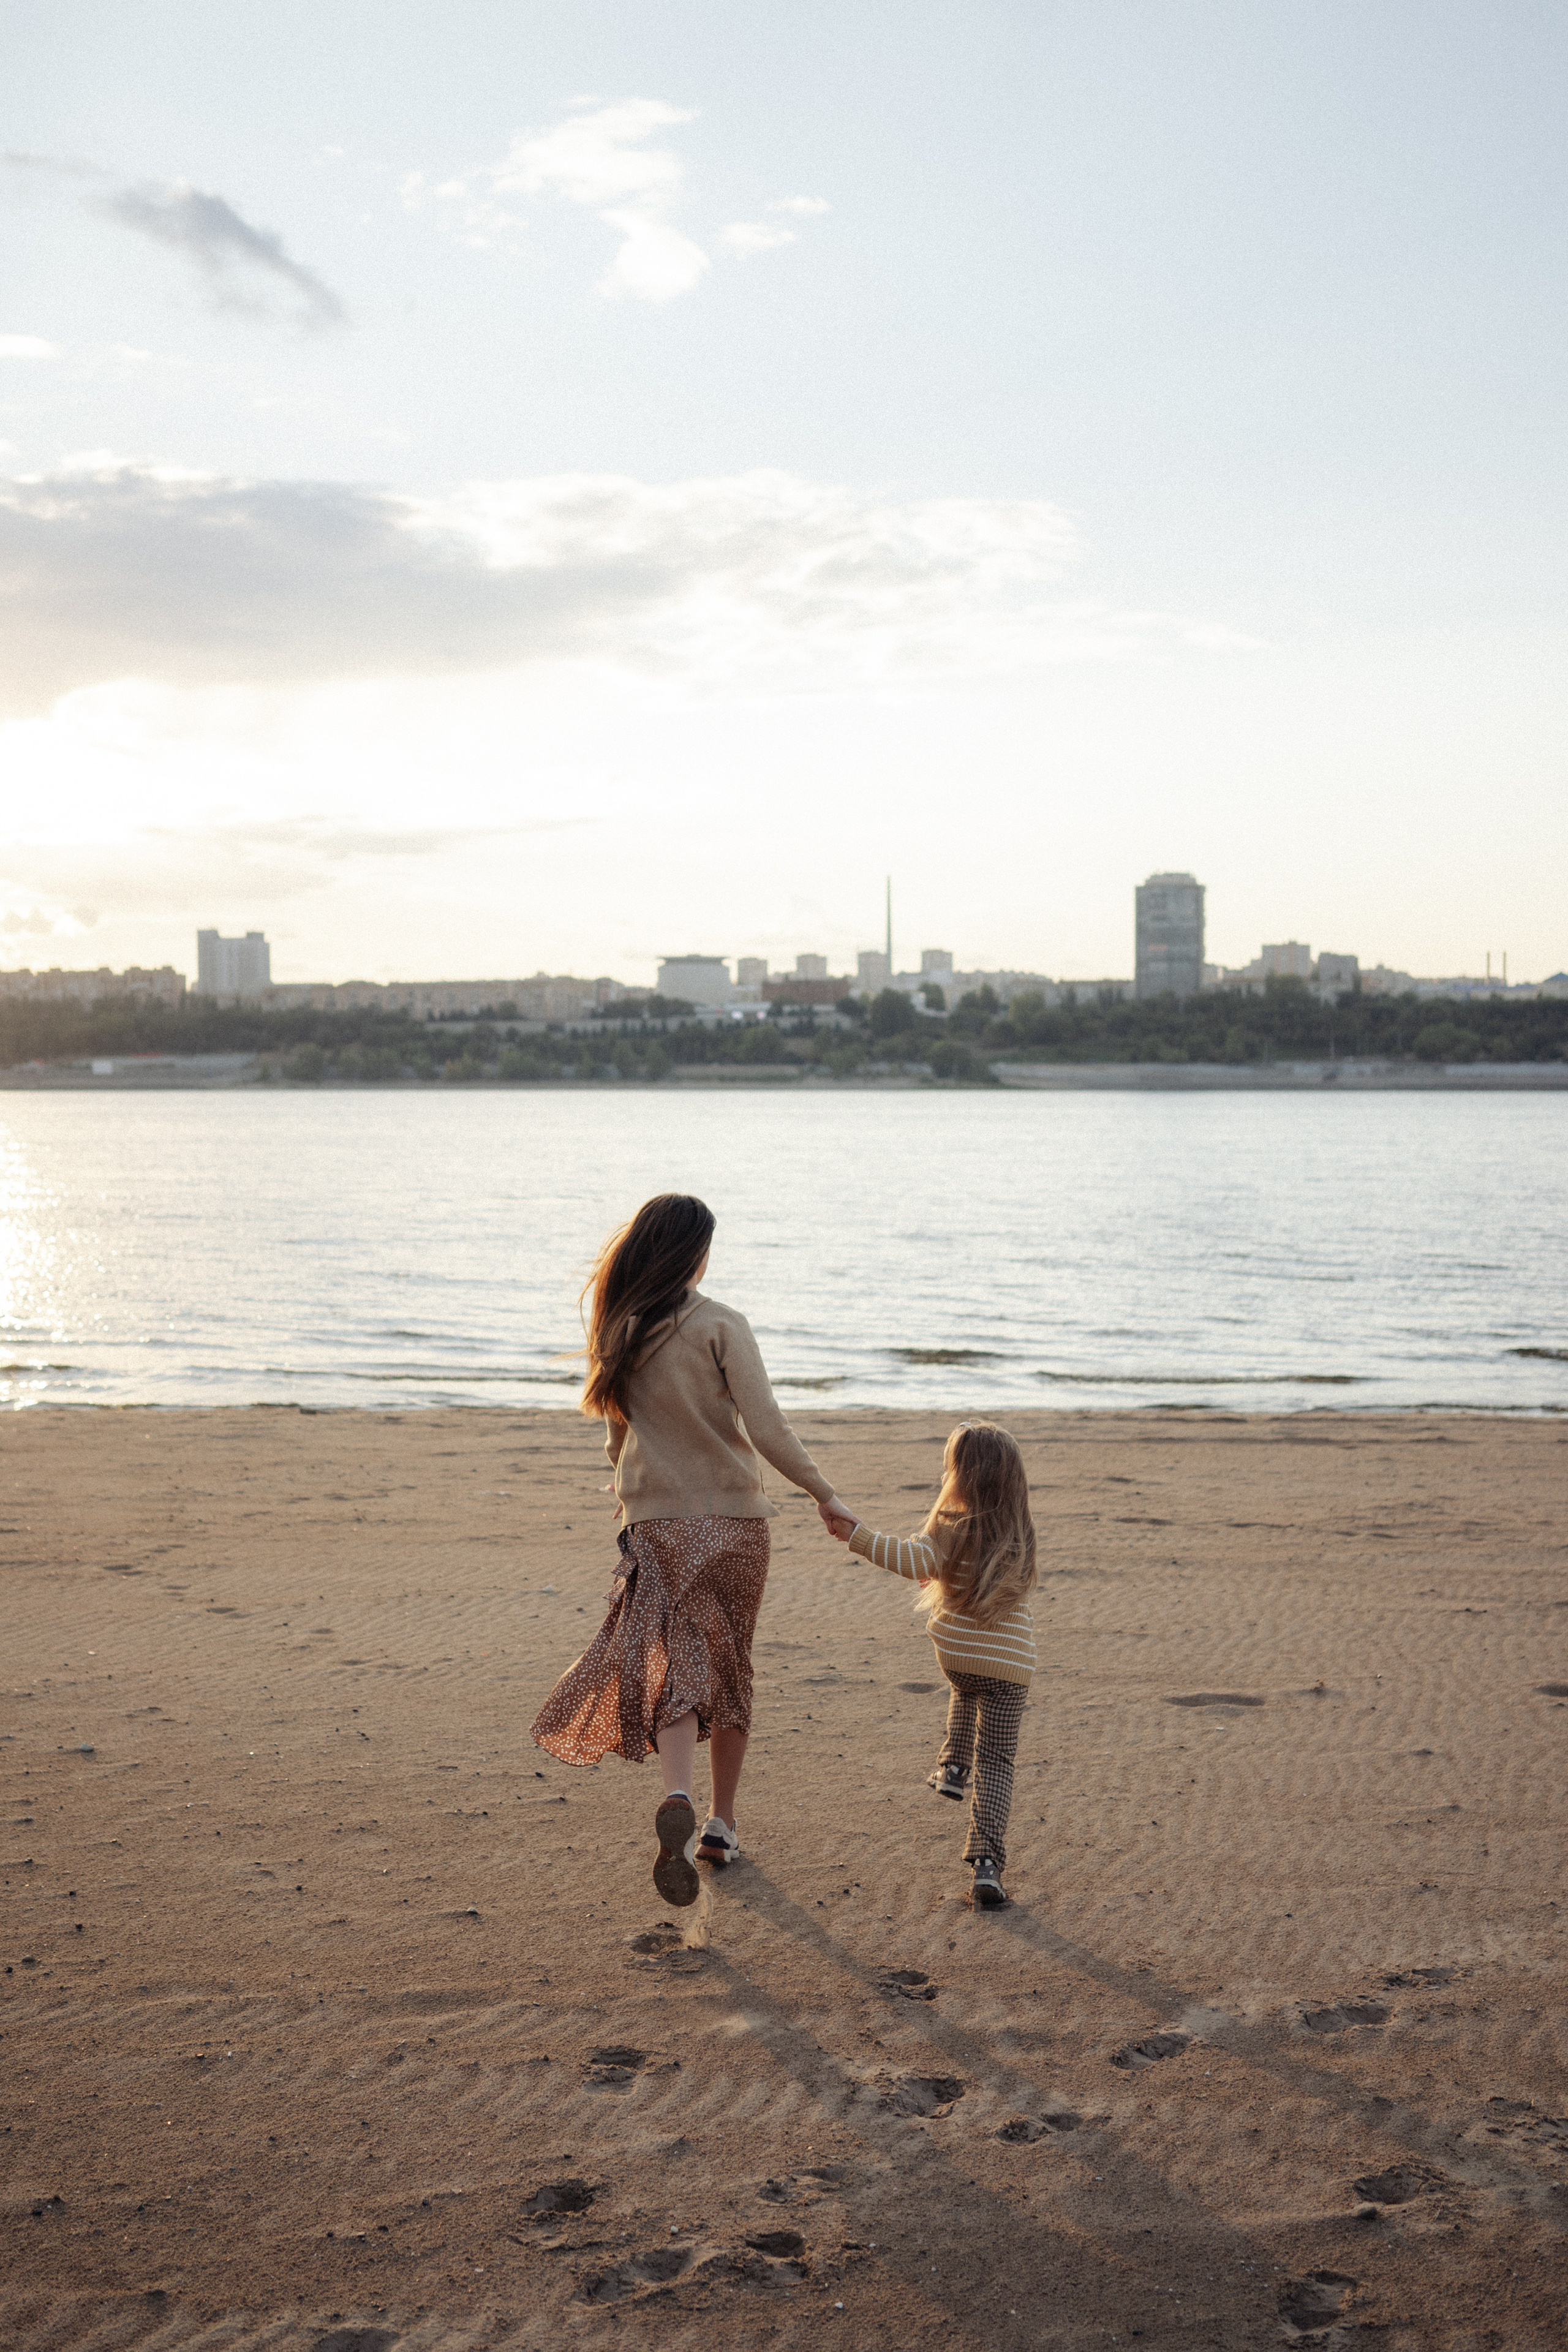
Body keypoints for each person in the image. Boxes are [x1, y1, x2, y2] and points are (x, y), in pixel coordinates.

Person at [530, 1193, 857, 1907]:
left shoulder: (621, 1329)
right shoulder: (721, 1324)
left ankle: (676, 1791)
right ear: (696, 1254)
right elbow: (767, 1427)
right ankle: (719, 1824)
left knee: (677, 1661)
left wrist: (635, 1501)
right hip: (734, 1523)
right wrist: (824, 1494)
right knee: (729, 1663)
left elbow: (617, 1440)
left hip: (658, 1525)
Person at [824, 1422, 1036, 1907]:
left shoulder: (949, 1525)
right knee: (998, 1764)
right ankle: (987, 1865)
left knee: (965, 1682)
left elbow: (910, 1558)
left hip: (957, 1656)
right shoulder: (1020, 1530)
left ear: (961, 1477)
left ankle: (954, 1767)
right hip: (1010, 1666)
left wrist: (857, 1535)